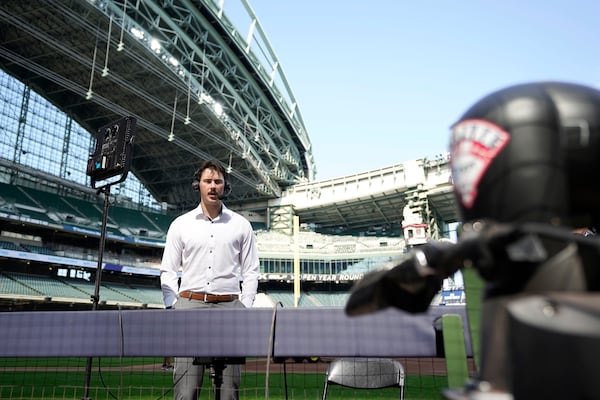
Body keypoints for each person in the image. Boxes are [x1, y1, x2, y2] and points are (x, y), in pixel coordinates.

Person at [160, 159, 260, 400]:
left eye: (218, 181)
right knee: (186, 391)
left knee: (228, 392)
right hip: (189, 306)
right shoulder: (180, 225)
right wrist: (173, 305)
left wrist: (244, 306)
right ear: (199, 185)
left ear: (225, 186)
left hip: (229, 308)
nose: (213, 186)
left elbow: (251, 271)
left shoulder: (241, 225)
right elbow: (168, 270)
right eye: (208, 181)